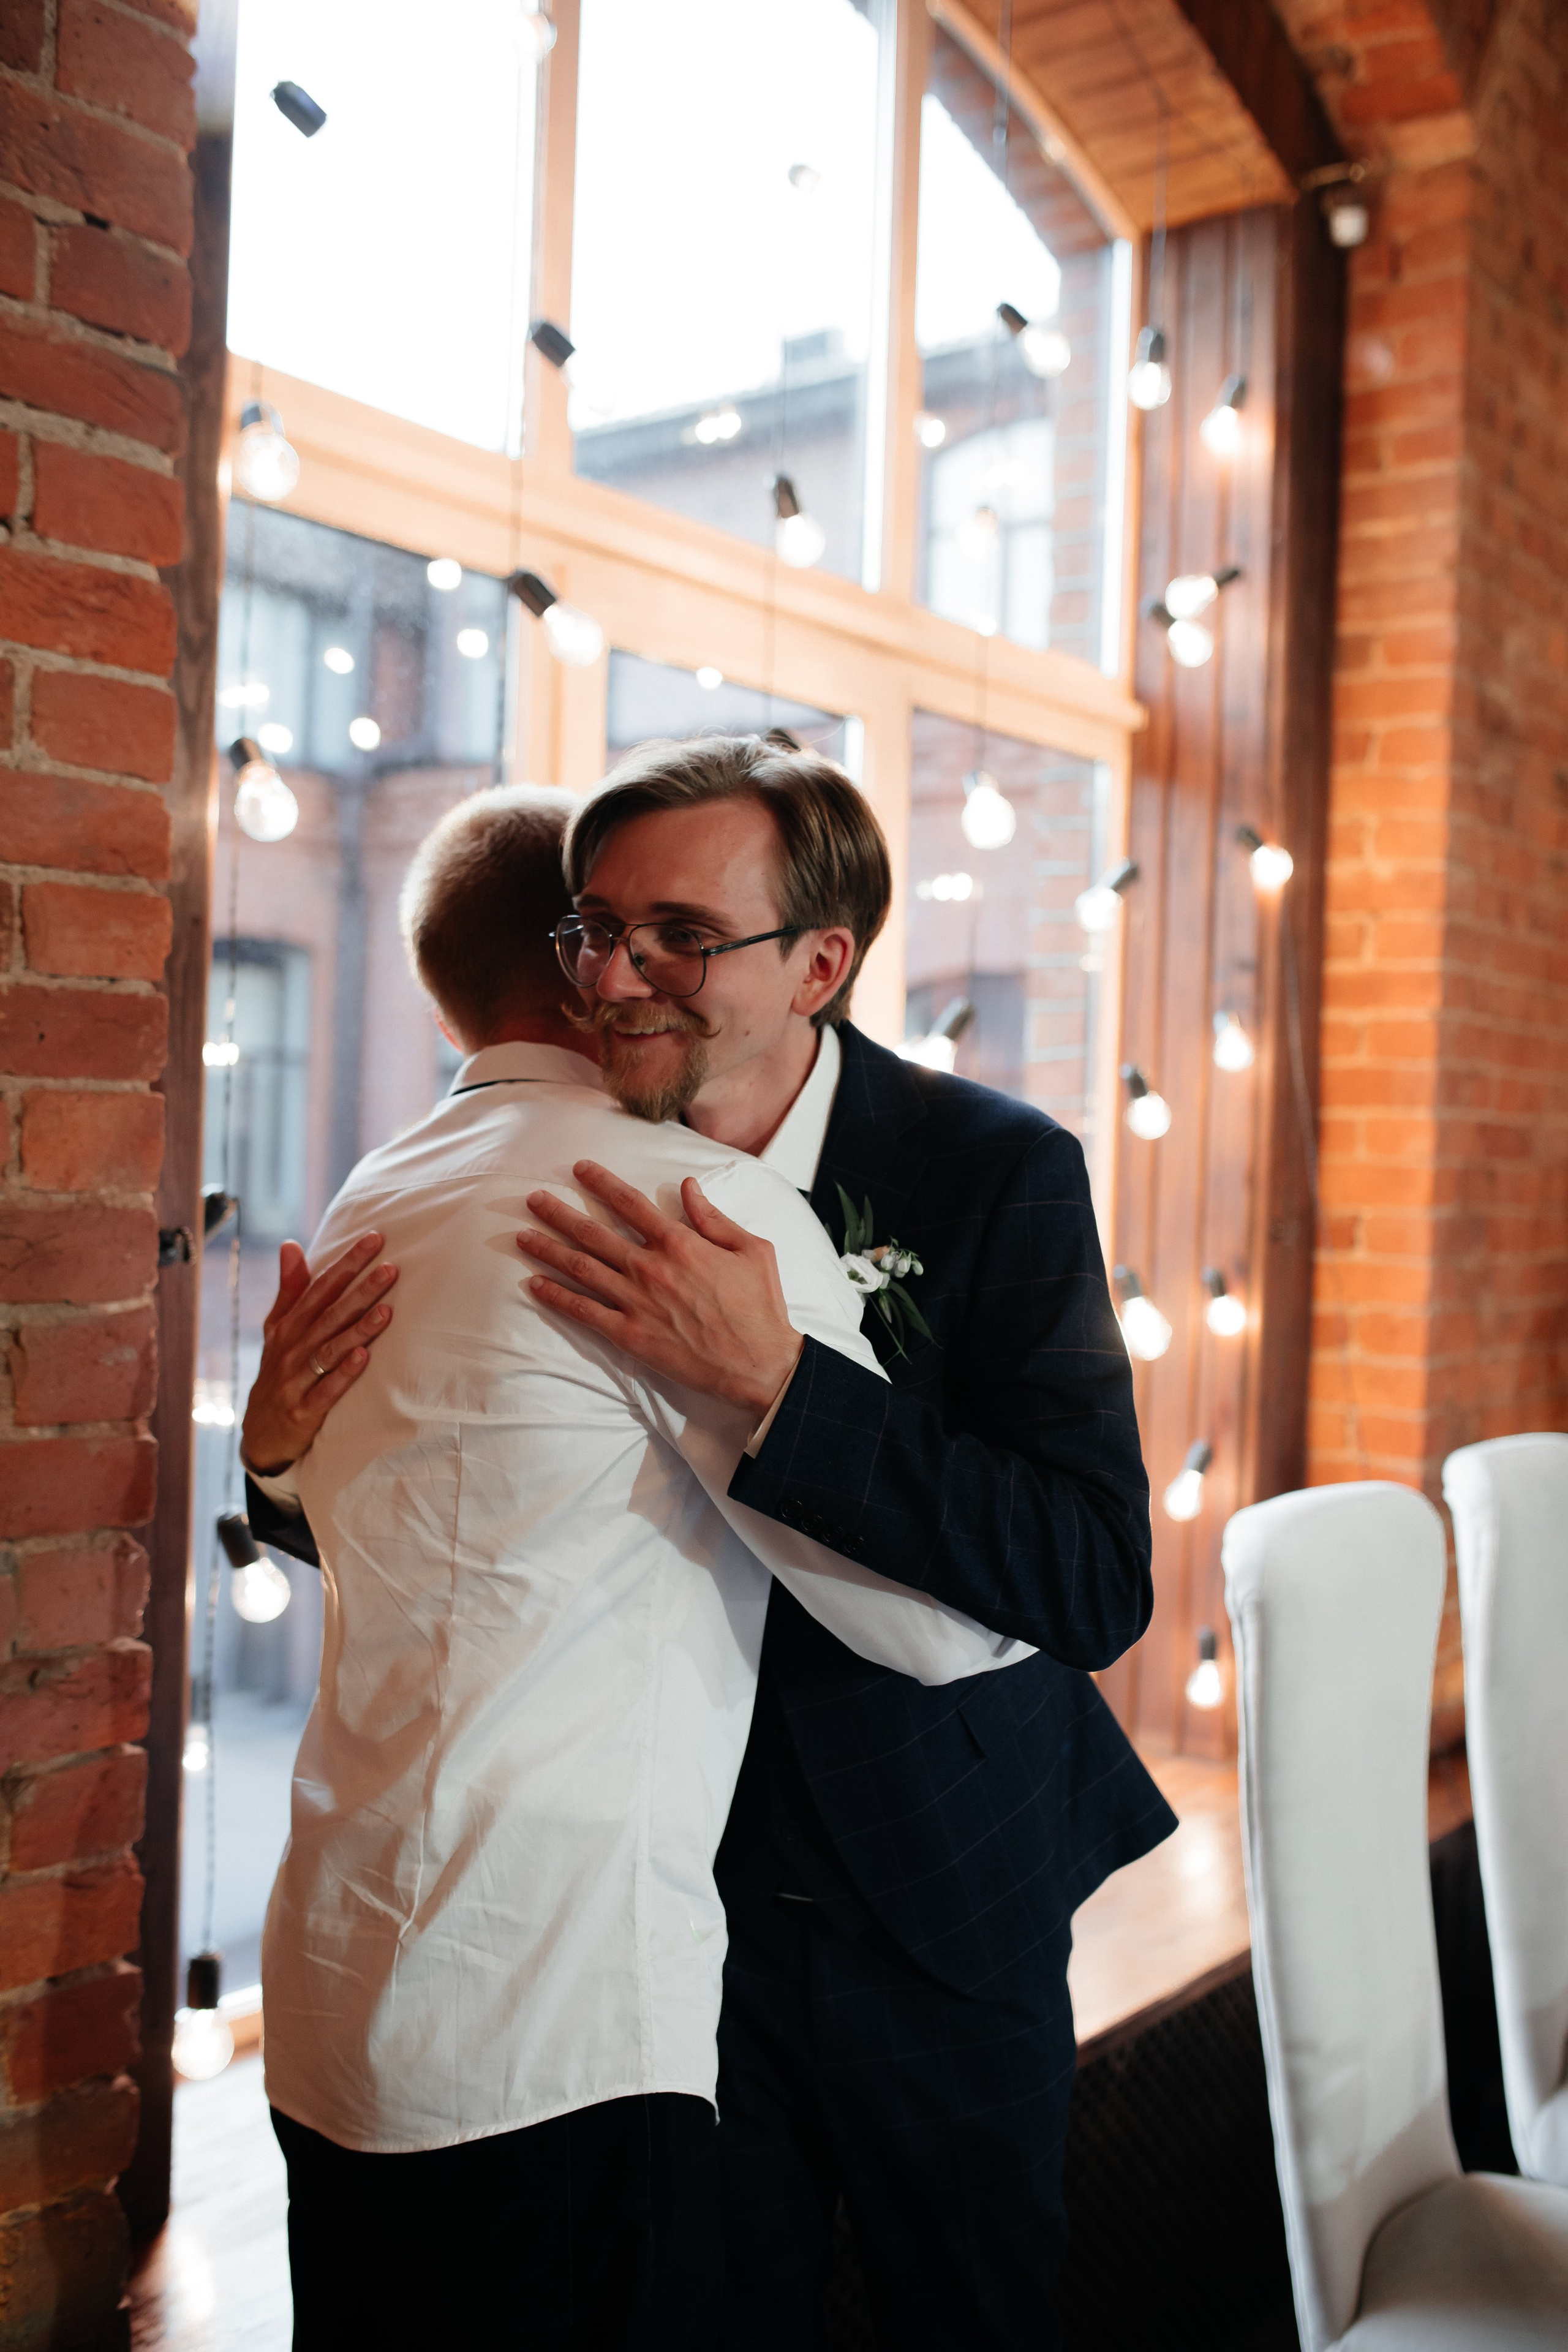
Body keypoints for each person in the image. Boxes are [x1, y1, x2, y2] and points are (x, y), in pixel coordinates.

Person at [241, 785, 1033, 2352]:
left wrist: (265, 1460)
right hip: (560, 2015)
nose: (637, 974)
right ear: (573, 951)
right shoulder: (683, 1208)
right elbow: (946, 1639)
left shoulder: (368, 1192)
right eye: (619, 931)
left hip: (332, 1994)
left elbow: (388, 1512)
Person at [511, 736, 1177, 2351]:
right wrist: (286, 1479)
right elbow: (478, 1507)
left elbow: (1093, 1574)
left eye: (680, 933)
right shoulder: (543, 1166)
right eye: (595, 927)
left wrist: (780, 1386)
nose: (614, 977)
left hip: (942, 1889)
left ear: (823, 963)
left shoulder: (996, 1171)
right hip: (668, 1900)